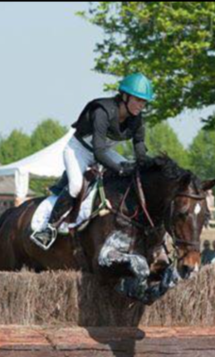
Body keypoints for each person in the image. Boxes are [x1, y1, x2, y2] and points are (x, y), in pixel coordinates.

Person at [32, 73, 154, 249]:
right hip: (78, 150)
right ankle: (49, 227)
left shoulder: (136, 119)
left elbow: (140, 147)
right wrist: (120, 170)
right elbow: (98, 153)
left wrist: (148, 167)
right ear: (125, 96)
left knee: (133, 176)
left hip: (105, 152)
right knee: (75, 186)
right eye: (138, 100)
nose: (141, 105)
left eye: (144, 102)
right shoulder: (102, 111)